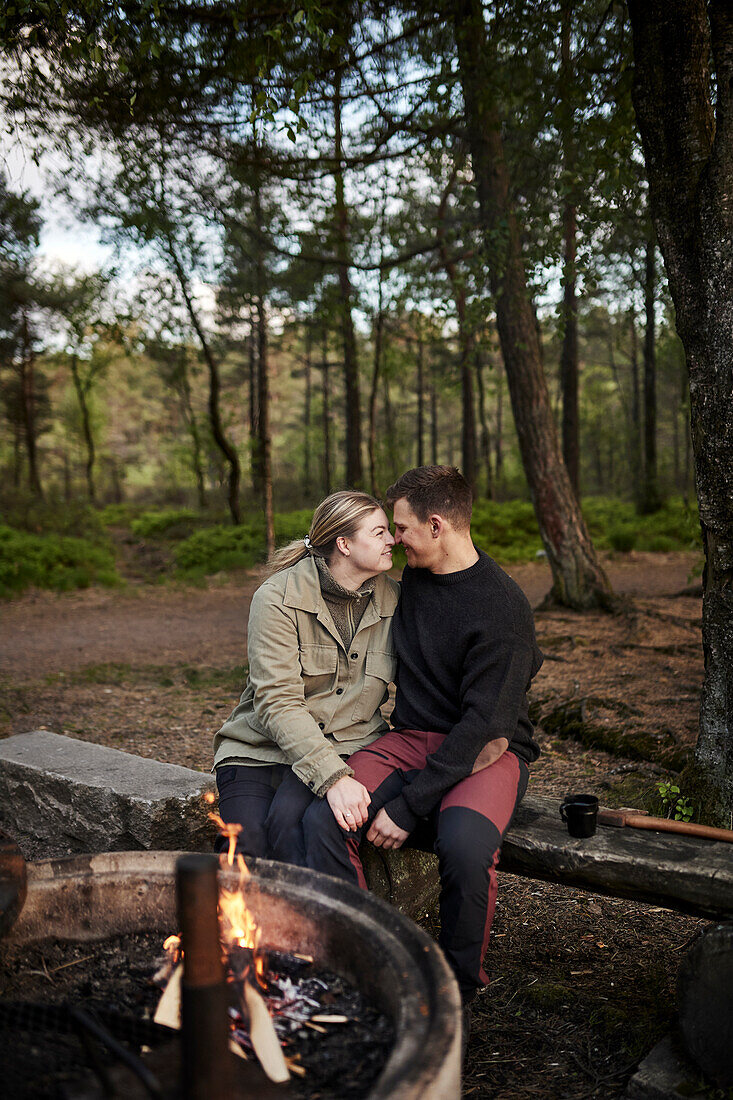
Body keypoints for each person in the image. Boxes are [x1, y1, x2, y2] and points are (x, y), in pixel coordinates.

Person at [303, 466, 543, 1012]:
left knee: (462, 846)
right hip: (410, 737)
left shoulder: (502, 608)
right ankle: (366, 962)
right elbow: (333, 574)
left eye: (402, 527)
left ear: (436, 526)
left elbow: (486, 734)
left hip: (487, 753)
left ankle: (454, 993)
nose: (394, 537)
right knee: (326, 817)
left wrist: (412, 806)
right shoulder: (409, 581)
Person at [212, 490, 398, 864]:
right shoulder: (277, 598)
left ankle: (313, 922)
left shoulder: (396, 600)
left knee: (291, 832)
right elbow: (277, 702)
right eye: (379, 532)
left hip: (347, 744)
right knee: (245, 849)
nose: (392, 540)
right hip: (259, 750)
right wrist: (333, 778)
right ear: (344, 544)